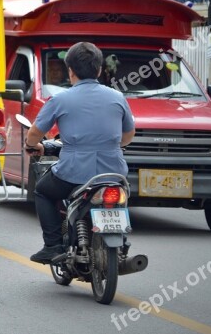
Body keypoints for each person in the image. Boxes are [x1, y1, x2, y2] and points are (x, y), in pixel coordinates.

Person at [24, 42, 135, 264]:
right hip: (113, 173)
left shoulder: (59, 99)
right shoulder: (117, 97)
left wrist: (31, 143)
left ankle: (53, 245)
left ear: (71, 71)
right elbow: (128, 135)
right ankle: (121, 241)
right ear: (99, 70)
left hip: (73, 172)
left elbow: (35, 133)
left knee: (43, 192)